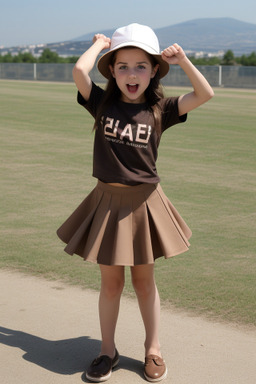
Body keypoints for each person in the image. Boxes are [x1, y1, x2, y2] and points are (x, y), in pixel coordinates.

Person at [57, 23, 214, 382]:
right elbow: (80, 71)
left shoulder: (163, 108)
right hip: (107, 203)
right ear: (112, 70)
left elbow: (204, 94)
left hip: (145, 205)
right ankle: (106, 351)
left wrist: (184, 60)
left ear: (154, 71)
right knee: (111, 285)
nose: (132, 73)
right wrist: (99, 44)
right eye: (123, 65)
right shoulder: (101, 103)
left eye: (142, 65)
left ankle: (153, 349)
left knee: (145, 283)